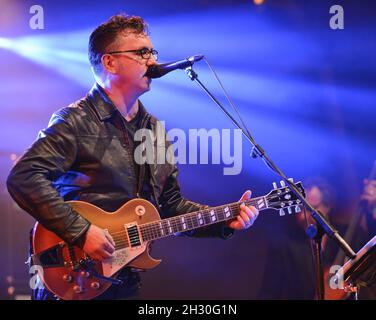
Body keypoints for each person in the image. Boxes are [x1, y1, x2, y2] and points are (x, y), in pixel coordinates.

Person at [6, 14, 259, 300]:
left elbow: (170, 206)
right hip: (74, 276)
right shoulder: (75, 121)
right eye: (141, 52)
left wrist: (224, 221)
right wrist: (81, 232)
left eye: (152, 52)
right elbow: (23, 177)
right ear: (109, 62)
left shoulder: (154, 131)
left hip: (124, 281)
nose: (151, 61)